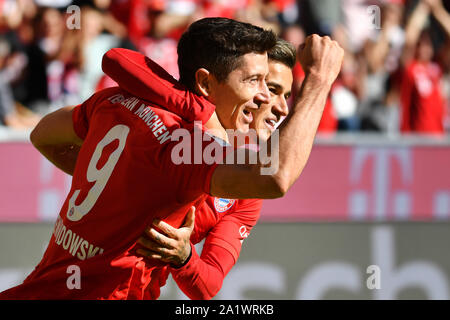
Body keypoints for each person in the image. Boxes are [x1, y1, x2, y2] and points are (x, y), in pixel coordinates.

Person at [1, 17, 343, 299]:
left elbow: (44, 133)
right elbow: (276, 175)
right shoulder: (191, 148)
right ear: (208, 83)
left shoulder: (119, 102)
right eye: (261, 84)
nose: (277, 105)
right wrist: (319, 80)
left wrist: (184, 258)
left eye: (285, 94)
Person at [101, 39, 295, 299]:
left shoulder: (247, 190)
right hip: (87, 282)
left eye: (287, 96)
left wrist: (184, 257)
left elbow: (208, 284)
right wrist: (205, 114)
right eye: (271, 88)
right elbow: (115, 59)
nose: (282, 108)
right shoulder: (174, 124)